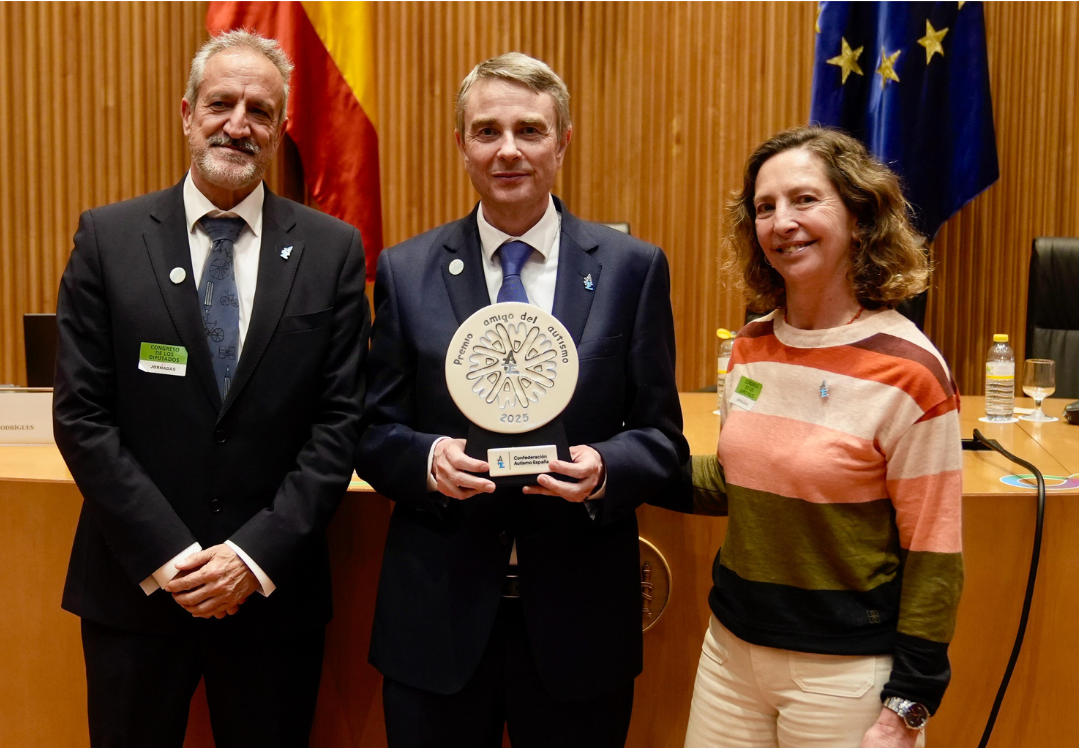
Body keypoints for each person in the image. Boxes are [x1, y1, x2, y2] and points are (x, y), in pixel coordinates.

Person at [354, 52, 688, 747]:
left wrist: (604, 470)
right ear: (462, 146)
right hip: (437, 622)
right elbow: (372, 428)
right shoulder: (405, 271)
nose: (508, 149)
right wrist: (426, 461)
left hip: (579, 623)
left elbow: (661, 438)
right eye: (487, 131)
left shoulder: (632, 270)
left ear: (562, 142)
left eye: (530, 130)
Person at [53, 30, 370, 747]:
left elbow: (339, 425)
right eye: (221, 103)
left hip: (270, 599)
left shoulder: (332, 251)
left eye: (260, 110)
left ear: (282, 127)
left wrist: (249, 558)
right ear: (187, 114)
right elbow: (82, 416)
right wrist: (173, 557)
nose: (238, 123)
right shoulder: (108, 238)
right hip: (134, 591)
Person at [663, 126, 962, 748]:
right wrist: (617, 467)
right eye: (765, 207)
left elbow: (934, 548)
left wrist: (909, 702)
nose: (782, 222)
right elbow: (739, 481)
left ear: (859, 217)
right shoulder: (751, 345)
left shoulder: (910, 370)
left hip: (844, 676)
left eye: (805, 200)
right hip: (730, 654)